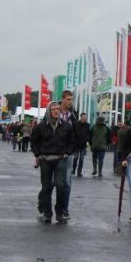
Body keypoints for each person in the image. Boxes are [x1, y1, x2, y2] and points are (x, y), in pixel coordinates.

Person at [30, 102, 74, 223]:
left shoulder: (66, 126)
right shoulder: (40, 126)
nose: (56, 111)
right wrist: (38, 154)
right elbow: (34, 141)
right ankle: (47, 213)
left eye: (57, 109)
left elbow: (72, 141)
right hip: (45, 159)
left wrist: (68, 152)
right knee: (46, 187)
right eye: (53, 109)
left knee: (61, 185)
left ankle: (59, 212)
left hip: (60, 158)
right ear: (49, 111)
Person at [57, 90, 80, 221]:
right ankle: (46, 207)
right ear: (63, 99)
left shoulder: (74, 114)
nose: (71, 102)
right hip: (53, 152)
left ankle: (64, 209)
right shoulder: (54, 111)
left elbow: (76, 132)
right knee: (52, 182)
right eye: (68, 99)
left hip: (68, 152)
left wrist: (74, 147)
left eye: (72, 99)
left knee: (66, 182)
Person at [72, 113, 90, 177]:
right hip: (76, 144)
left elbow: (88, 134)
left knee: (81, 159)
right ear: (81, 117)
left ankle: (79, 172)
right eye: (83, 117)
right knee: (75, 158)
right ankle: (73, 170)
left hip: (83, 145)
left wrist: (87, 140)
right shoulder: (76, 124)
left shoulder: (87, 125)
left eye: (85, 117)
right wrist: (74, 141)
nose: (84, 119)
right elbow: (73, 133)